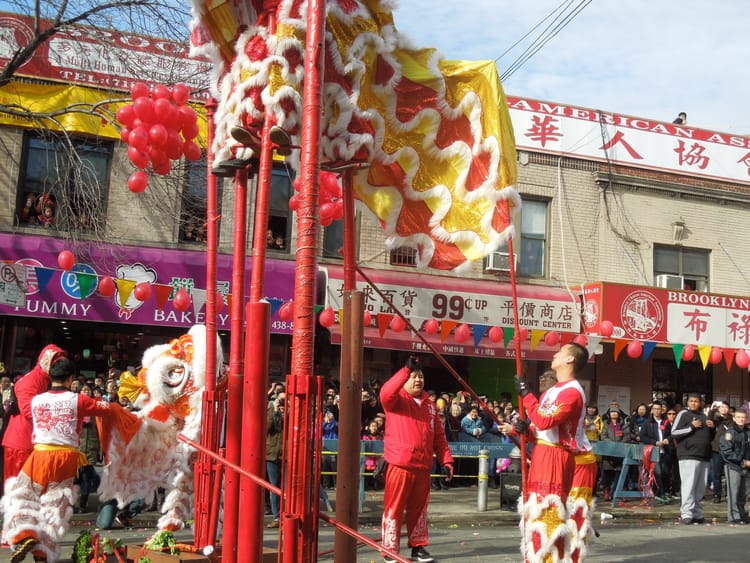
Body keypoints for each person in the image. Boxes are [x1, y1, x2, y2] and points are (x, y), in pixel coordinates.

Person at [1, 358, 122, 563]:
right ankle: (42, 554)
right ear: (70, 378)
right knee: (55, 508)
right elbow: (105, 408)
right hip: (66, 458)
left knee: (21, 496)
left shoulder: (36, 400)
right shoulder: (78, 400)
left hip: (39, 455)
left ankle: (24, 534)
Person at [505, 342, 588, 563]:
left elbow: (544, 420)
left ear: (570, 359)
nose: (555, 354)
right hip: (542, 453)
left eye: (560, 352)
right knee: (534, 513)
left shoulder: (573, 392)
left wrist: (526, 394)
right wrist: (523, 430)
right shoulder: (551, 391)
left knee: (550, 515)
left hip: (556, 457)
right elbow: (538, 429)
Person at [379, 356, 453, 563]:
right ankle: (389, 549)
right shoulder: (397, 401)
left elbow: (439, 436)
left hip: (422, 465)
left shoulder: (430, 406)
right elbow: (385, 393)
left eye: (420, 376)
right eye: (413, 376)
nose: (418, 380)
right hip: (400, 464)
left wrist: (447, 460)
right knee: (394, 508)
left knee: (419, 510)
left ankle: (418, 548)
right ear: (404, 380)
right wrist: (404, 370)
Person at [2, 345, 66, 485]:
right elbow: (28, 410)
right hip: (20, 444)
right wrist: (57, 416)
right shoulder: (31, 381)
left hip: (30, 442)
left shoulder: (44, 379)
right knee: (18, 491)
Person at [670, 392, 715, 524]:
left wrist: (712, 428)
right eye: (691, 401)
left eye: (696, 401)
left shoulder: (704, 416)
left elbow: (709, 437)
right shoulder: (683, 414)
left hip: (704, 455)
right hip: (688, 455)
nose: (694, 403)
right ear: (687, 403)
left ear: (700, 403)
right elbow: (674, 432)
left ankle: (697, 513)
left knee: (700, 487)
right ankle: (686, 513)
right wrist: (691, 427)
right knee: (688, 486)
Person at [719, 408, 750, 524]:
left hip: (747, 468)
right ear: (734, 418)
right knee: (734, 492)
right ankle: (734, 516)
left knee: (744, 493)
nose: (741, 419)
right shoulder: (729, 433)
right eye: (739, 417)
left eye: (743, 417)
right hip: (733, 466)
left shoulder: (748, 432)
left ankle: (742, 514)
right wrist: (741, 461)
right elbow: (726, 451)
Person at [76, 384, 102, 513]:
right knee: (81, 475)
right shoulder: (75, 407)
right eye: (84, 389)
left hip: (91, 446)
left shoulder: (94, 408)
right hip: (77, 446)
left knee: (86, 475)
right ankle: (97, 482)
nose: (86, 391)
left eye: (88, 389)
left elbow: (100, 429)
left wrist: (100, 448)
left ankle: (83, 503)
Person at [639, 401, 671, 503]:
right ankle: (659, 494)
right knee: (658, 473)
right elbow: (643, 437)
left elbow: (671, 434)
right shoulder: (647, 423)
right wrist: (655, 442)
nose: (657, 411)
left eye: (659, 409)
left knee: (666, 473)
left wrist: (667, 439)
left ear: (662, 410)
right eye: (655, 409)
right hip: (653, 452)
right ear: (652, 410)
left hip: (664, 452)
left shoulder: (665, 422)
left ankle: (665, 493)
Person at [600, 409, 632, 501]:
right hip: (608, 452)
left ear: (618, 414)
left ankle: (623, 493)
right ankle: (607, 492)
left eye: (615, 412)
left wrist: (619, 446)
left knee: (623, 473)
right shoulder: (606, 425)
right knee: (607, 474)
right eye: (612, 412)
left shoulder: (624, 425)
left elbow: (627, 437)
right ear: (609, 414)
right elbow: (603, 437)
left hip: (621, 452)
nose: (613, 414)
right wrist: (612, 445)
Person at [266, 390, 285, 529]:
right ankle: (277, 516)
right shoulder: (272, 412)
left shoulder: (292, 413)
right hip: (272, 455)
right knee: (274, 487)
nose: (283, 402)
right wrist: (274, 411)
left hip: (287, 455)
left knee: (287, 487)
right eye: (280, 399)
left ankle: (287, 514)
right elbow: (266, 428)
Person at [709, 401, 732, 503]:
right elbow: (708, 422)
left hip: (729, 451)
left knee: (729, 474)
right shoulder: (716, 419)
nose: (724, 409)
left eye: (726, 407)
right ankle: (717, 495)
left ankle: (728, 495)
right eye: (722, 407)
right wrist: (711, 410)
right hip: (717, 450)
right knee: (716, 474)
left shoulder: (732, 420)